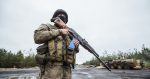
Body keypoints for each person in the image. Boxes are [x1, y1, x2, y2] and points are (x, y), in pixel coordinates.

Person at [34, 9, 79, 79]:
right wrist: (59, 31)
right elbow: (37, 37)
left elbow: (72, 51)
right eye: (60, 15)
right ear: (55, 18)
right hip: (51, 69)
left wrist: (75, 45)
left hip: (67, 70)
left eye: (64, 16)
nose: (62, 16)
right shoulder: (47, 27)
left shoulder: (69, 34)